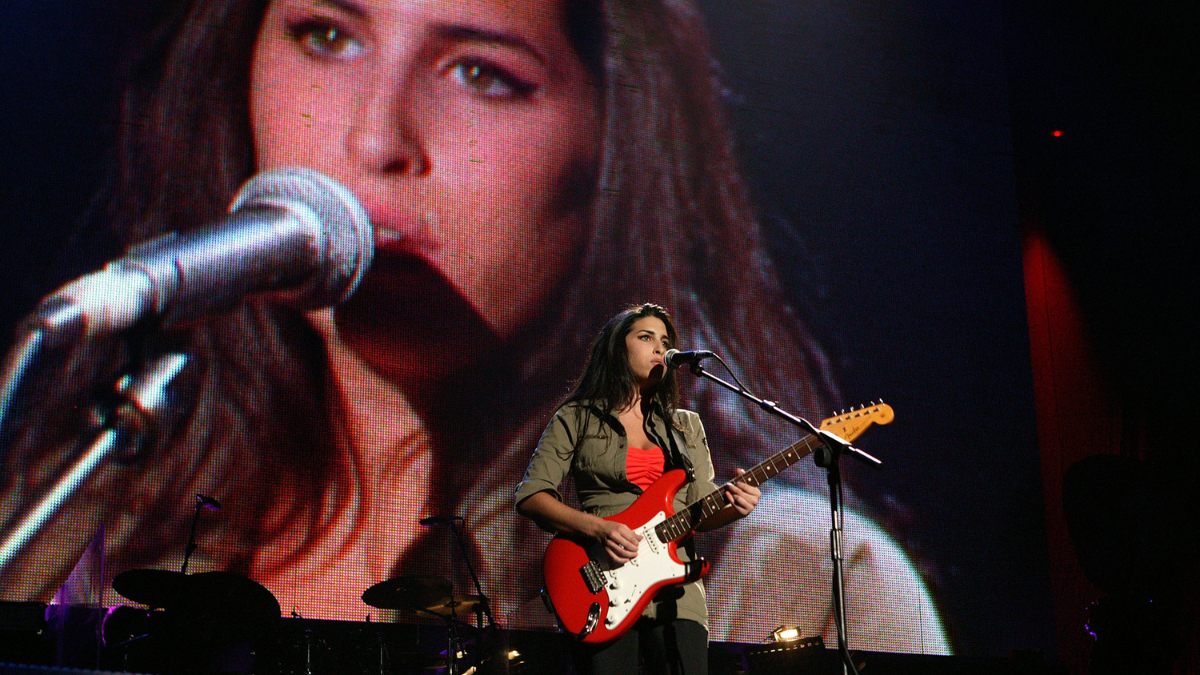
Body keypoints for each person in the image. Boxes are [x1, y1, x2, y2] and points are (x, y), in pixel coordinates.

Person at [0, 0, 950, 652]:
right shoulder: (75, 519)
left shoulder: (787, 582)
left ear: (617, 142)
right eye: (326, 35)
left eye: (479, 73)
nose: (374, 139)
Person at [515, 303, 762, 675]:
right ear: (617, 348)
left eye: (665, 341)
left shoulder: (684, 426)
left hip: (677, 596)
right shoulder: (577, 417)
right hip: (600, 583)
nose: (660, 348)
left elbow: (698, 508)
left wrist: (736, 506)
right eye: (646, 337)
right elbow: (532, 496)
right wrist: (600, 529)